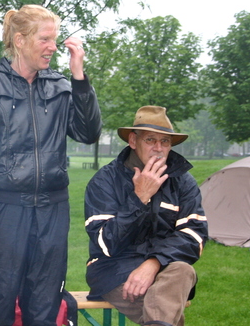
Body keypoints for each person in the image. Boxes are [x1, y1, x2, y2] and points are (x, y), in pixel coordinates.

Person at [0, 4, 102, 326]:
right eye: (45, 39)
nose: (53, 47)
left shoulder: (60, 86)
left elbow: (88, 133)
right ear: (20, 40)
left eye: (56, 39)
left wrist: (79, 76)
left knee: (45, 306)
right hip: (2, 212)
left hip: (52, 211)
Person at [84, 106, 208, 326]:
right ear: (133, 141)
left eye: (165, 142)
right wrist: (139, 198)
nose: (158, 149)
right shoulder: (105, 180)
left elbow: (194, 236)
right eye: (150, 140)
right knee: (168, 311)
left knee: (183, 269)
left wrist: (153, 263)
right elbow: (105, 243)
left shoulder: (182, 181)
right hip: (114, 271)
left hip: (165, 269)